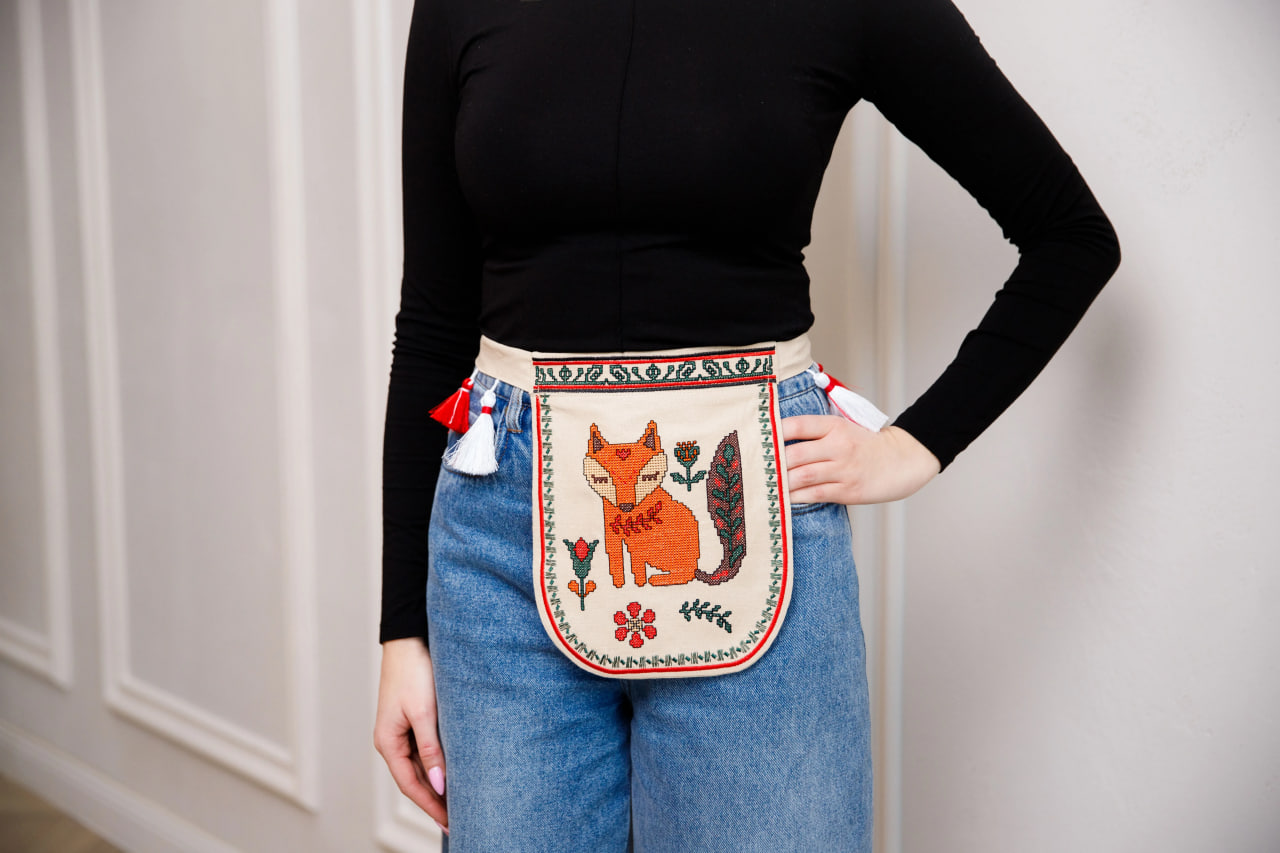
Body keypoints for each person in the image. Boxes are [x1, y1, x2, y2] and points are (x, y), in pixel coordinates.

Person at [373, 0, 1120, 849]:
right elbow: (433, 324)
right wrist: (403, 629)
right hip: (497, 561)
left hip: (761, 523)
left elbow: (1070, 235)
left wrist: (913, 447)